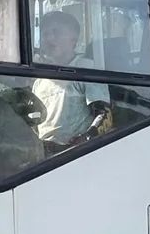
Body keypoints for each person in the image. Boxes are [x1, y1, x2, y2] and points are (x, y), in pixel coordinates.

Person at [32, 10, 111, 150]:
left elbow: (104, 115)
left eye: (56, 32)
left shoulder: (85, 68)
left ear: (73, 40)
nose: (49, 38)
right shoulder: (39, 82)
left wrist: (85, 139)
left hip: (76, 154)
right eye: (45, 34)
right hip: (44, 154)